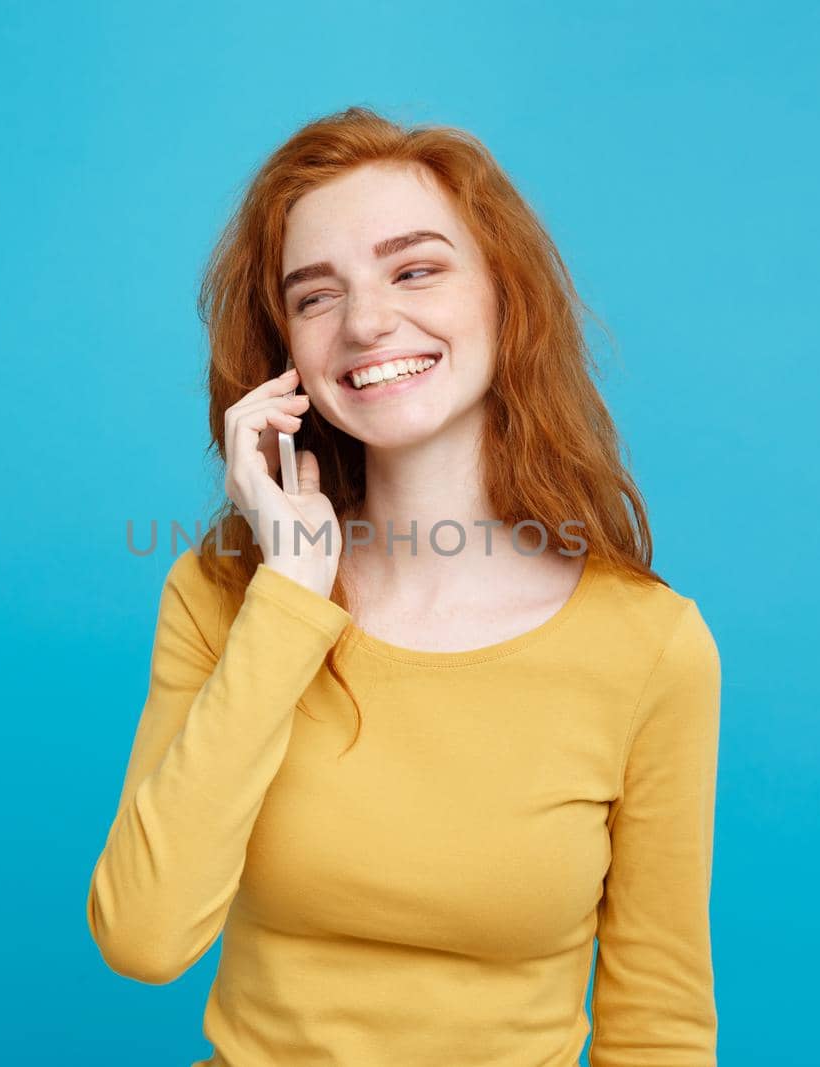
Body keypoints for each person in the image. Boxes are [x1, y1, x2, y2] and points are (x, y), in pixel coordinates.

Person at [86, 105, 722, 1067]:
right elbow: (143, 937)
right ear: (287, 356)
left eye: (414, 268)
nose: (367, 322)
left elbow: (659, 1026)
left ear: (504, 297)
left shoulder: (649, 645)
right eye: (314, 296)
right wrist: (291, 598)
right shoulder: (222, 596)